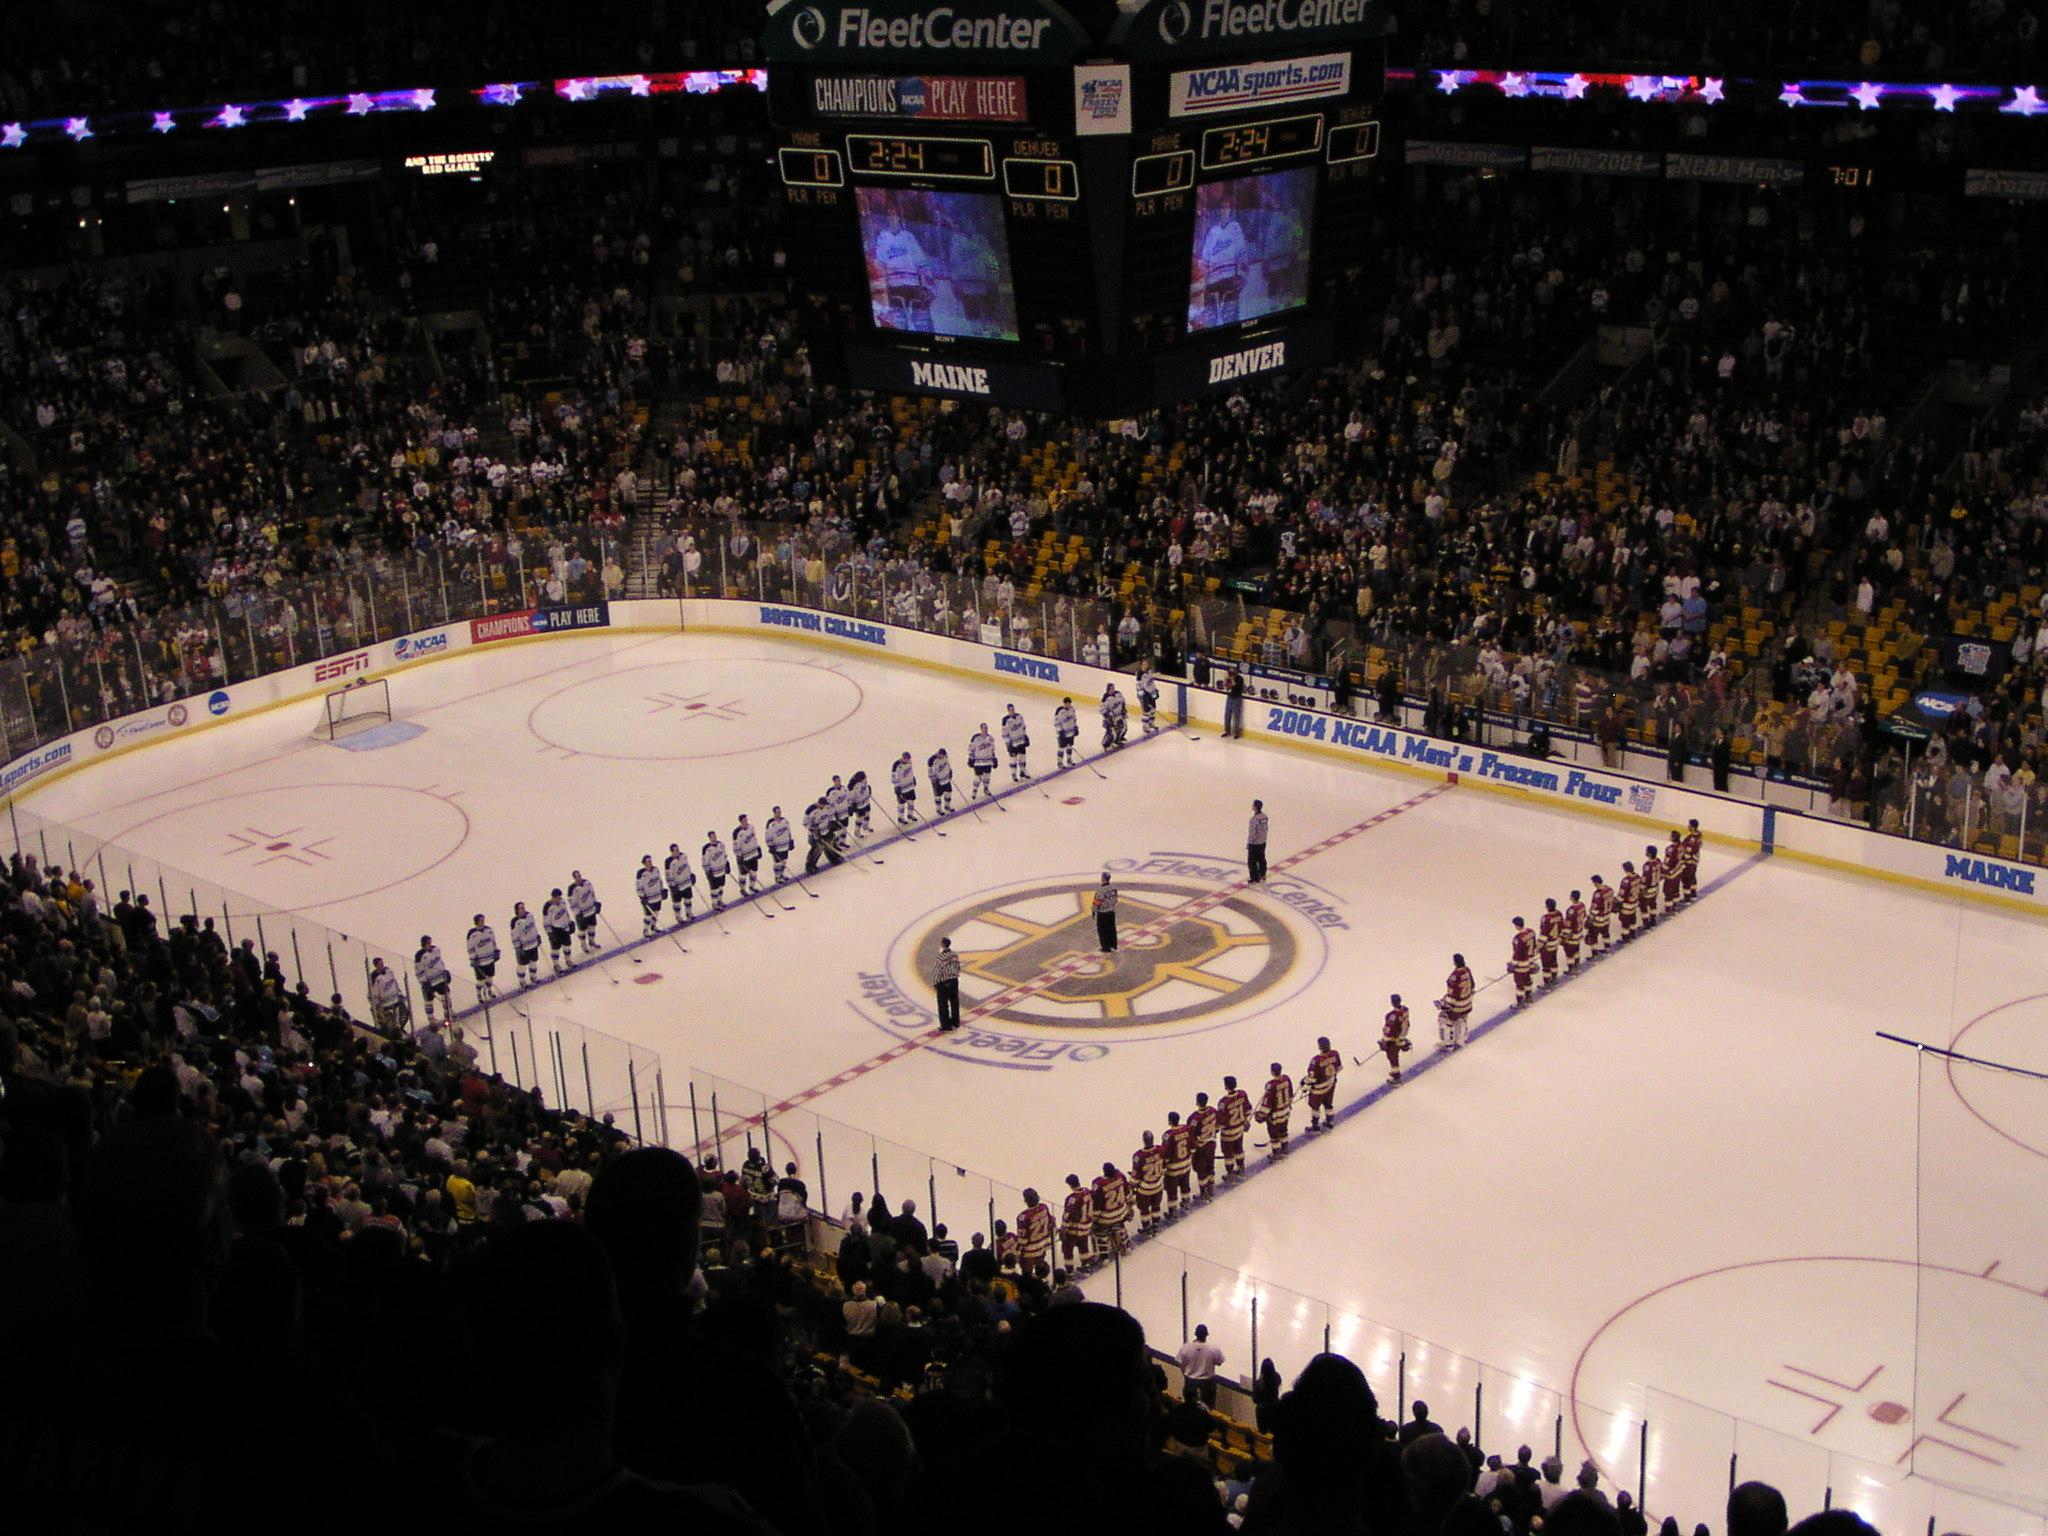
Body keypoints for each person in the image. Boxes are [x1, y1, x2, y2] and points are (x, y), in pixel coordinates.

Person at [1177, 1324, 1225, 1408]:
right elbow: (1219, 1362)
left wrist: (1186, 1374)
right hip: (1207, 1384)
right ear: (1206, 1335)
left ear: (1196, 1334)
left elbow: (1180, 1363)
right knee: (1208, 1408)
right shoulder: (1213, 1349)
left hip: (1190, 1382)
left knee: (1189, 1406)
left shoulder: (1186, 1347)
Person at [1216, 1075, 1252, 1178]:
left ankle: (1230, 1172)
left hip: (1228, 1133)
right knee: (1238, 1148)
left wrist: (1214, 1130)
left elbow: (1220, 1122)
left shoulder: (1223, 1102)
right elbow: (1248, 1110)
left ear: (1226, 1086)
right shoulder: (1242, 1094)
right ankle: (1241, 1166)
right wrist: (1245, 1121)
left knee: (1228, 1154)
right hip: (1239, 1129)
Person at [1129, 1130, 1165, 1231]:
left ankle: (1147, 1227)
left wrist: (1132, 1185)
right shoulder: (1160, 1150)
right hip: (1158, 1185)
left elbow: (1136, 1175)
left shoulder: (1139, 1156)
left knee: (1144, 1209)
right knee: (1156, 1206)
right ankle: (1156, 1223)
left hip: (1145, 1189)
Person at [413, 934, 453, 1024]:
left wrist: (445, 972)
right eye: (428, 943)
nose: (430, 944)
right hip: (429, 982)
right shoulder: (419, 956)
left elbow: (440, 962)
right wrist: (423, 982)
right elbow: (418, 971)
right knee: (428, 1001)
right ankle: (431, 1019)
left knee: (446, 995)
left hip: (440, 979)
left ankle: (448, 1014)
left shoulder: (436, 949)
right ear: (424, 944)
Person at [1303, 1036, 1341, 1129]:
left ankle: (1315, 1126)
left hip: (1318, 1090)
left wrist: (1304, 1082)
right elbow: (1339, 1068)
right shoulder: (1335, 1054)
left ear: (1320, 1047)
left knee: (1315, 1107)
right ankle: (1330, 1121)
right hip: (1330, 1085)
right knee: (1328, 1104)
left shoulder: (1316, 1060)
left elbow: (1312, 1079)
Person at [1258, 1061, 1295, 1155]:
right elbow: (1291, 1094)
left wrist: (1261, 1115)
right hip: (1285, 1112)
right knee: (1283, 1131)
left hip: (1275, 1116)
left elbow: (1267, 1103)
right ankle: (1285, 1148)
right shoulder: (1286, 1079)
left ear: (1272, 1072)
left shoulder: (1271, 1085)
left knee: (1274, 1135)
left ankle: (1276, 1153)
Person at [1438, 952, 1474, 1047]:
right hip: (1468, 1004)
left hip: (1458, 1006)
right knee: (1463, 1019)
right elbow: (1472, 986)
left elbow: (1453, 995)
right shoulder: (1467, 971)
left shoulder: (1455, 976)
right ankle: (1462, 1038)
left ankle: (1448, 1043)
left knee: (1444, 1019)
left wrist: (1443, 1003)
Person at [1016, 1188, 1054, 1276]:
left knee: (1027, 1272)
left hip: (1030, 1250)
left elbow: (1023, 1239)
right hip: (1043, 1245)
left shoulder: (1023, 1217)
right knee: (1040, 1269)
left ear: (1025, 1201)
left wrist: (1017, 1251)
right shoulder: (1044, 1207)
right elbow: (1050, 1221)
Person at [1059, 1173, 1094, 1270]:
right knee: (1083, 1246)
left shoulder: (1072, 1199)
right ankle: (1086, 1264)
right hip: (1087, 1226)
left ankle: (1069, 1271)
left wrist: (1063, 1229)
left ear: (1070, 1185)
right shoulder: (1087, 1191)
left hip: (1076, 1229)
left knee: (1067, 1249)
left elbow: (1068, 1216)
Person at [465, 913, 501, 1003]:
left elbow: (493, 941)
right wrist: (473, 959)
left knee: (490, 977)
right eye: (481, 920)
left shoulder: (488, 930)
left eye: (483, 920)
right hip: (480, 961)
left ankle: (489, 991)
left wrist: (496, 950)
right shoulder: (472, 934)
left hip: (490, 959)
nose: (483, 922)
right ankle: (479, 995)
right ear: (476, 922)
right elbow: (470, 948)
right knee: (480, 980)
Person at [368, 956, 408, 1033]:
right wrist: (376, 1005)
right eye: (380, 964)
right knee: (390, 1022)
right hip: (386, 1005)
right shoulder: (375, 979)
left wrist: (400, 993)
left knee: (402, 1016)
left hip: (395, 1000)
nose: (382, 965)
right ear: (376, 966)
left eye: (382, 963)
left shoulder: (388, 971)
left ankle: (399, 1030)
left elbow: (395, 983)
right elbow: (373, 994)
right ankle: (392, 1032)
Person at [508, 900, 542, 988]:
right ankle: (522, 981)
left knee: (533, 962)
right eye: (521, 908)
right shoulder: (515, 922)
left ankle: (533, 977)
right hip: (523, 947)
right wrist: (518, 948)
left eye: (523, 907)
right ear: (517, 910)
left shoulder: (530, 916)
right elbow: (514, 936)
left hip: (533, 944)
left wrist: (537, 936)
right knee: (522, 965)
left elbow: (534, 927)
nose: (523, 909)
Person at [566, 870, 602, 953]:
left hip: (590, 910)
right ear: (574, 878)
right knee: (582, 930)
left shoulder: (587, 883)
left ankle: (592, 941)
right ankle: (583, 945)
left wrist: (595, 903)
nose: (579, 878)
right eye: (577, 876)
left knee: (592, 927)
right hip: (581, 913)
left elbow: (592, 893)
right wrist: (577, 913)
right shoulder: (572, 889)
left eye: (579, 876)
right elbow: (571, 903)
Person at [931, 935, 962, 1032]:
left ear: (942, 945)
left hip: (943, 983)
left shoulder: (941, 957)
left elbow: (937, 971)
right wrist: (955, 975)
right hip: (954, 981)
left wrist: (935, 983)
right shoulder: (954, 955)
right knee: (954, 1002)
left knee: (943, 1005)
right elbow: (958, 967)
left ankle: (946, 1025)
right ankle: (955, 1022)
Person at [543, 888, 576, 973]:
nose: (559, 899)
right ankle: (556, 965)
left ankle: (568, 960)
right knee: (555, 949)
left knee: (567, 945)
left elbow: (566, 913)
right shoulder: (547, 907)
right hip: (555, 930)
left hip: (564, 927)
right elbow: (546, 922)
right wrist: (550, 933)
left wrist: (570, 922)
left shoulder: (562, 902)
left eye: (560, 897)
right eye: (558, 897)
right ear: (553, 897)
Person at [1381, 994, 1412, 1082]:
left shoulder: (1393, 1016)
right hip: (1401, 1037)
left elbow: (1389, 1031)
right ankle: (1395, 1074)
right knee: (1394, 1055)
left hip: (1394, 1040)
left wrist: (1384, 1040)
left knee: (1392, 1056)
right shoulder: (1404, 1011)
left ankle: (1396, 1076)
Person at [664, 843, 697, 920]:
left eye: (677, 850)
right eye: (675, 850)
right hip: (677, 885)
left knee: (688, 899)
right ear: (671, 852)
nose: (677, 852)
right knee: (677, 902)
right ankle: (678, 916)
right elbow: (668, 875)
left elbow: (687, 867)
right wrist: (672, 885)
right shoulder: (668, 861)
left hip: (686, 882)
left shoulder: (683, 856)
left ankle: (689, 913)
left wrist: (691, 875)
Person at [732, 816, 762, 897]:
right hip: (744, 857)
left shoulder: (751, 827)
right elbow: (735, 846)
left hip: (753, 854)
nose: (746, 821)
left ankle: (752, 886)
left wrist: (758, 848)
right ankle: (742, 889)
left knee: (754, 872)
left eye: (746, 820)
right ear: (741, 822)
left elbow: (754, 839)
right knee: (743, 875)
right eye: (744, 820)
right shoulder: (736, 832)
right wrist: (739, 856)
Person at [635, 855, 665, 936]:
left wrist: (662, 889)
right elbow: (638, 887)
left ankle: (653, 926)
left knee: (656, 912)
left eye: (650, 861)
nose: (650, 863)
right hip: (648, 898)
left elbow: (660, 880)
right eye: (648, 861)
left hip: (657, 896)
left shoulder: (656, 869)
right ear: (644, 863)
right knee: (648, 915)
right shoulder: (641, 874)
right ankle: (645, 930)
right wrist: (642, 897)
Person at [968, 723, 998, 800]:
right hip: (978, 762)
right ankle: (974, 791)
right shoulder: (976, 738)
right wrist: (970, 758)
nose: (985, 729)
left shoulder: (990, 738)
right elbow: (971, 749)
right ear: (981, 729)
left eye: (986, 728)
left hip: (988, 761)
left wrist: (994, 758)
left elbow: (992, 749)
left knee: (987, 776)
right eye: (984, 728)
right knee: (978, 778)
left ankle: (986, 789)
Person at [764, 808, 794, 884]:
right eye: (777, 812)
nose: (779, 813)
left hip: (785, 845)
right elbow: (768, 836)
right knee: (777, 863)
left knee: (784, 861)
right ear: (774, 813)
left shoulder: (784, 820)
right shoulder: (771, 824)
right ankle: (777, 877)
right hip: (777, 847)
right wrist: (770, 846)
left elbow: (788, 831)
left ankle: (781, 874)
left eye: (780, 812)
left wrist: (790, 840)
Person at [1001, 704, 1031, 781]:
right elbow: (1004, 733)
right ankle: (1013, 774)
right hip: (1013, 742)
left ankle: (1022, 772)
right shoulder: (1006, 720)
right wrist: (1007, 744)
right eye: (1011, 710)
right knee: (1013, 758)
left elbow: (1023, 727)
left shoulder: (1019, 716)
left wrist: (1025, 736)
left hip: (1021, 740)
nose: (1013, 711)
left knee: (1022, 757)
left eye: (1013, 710)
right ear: (1008, 710)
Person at [1092, 871, 1119, 951]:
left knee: (1102, 930)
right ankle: (1114, 945)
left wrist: (1094, 910)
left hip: (1102, 913)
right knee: (1112, 929)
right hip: (1111, 912)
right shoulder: (1113, 888)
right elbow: (1116, 899)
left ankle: (1105, 947)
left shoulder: (1100, 890)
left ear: (1103, 878)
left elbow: (1097, 902)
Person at [1587, 873, 1614, 951]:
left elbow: (1594, 908)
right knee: (1605, 932)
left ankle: (1595, 952)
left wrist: (1590, 916)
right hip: (1607, 916)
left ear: (1596, 883)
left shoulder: (1597, 894)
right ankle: (1607, 946)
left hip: (1599, 918)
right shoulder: (1609, 889)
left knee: (1593, 935)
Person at [1562, 890, 1587, 971]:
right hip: (1579, 931)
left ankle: (1571, 968)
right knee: (1576, 948)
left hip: (1573, 934)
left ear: (1572, 898)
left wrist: (1564, 936)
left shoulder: (1571, 910)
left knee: (1569, 952)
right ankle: (1577, 963)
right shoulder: (1582, 905)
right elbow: (1584, 916)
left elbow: (1568, 924)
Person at [1246, 798, 1269, 883]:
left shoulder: (1254, 819)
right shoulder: (1264, 817)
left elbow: (1253, 833)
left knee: (1252, 861)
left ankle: (1254, 878)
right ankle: (1262, 874)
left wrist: (1250, 843)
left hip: (1255, 844)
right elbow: (1266, 829)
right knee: (1261, 859)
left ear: (1255, 807)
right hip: (1262, 842)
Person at [927, 746, 955, 814]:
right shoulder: (932, 760)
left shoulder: (945, 757)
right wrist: (933, 780)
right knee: (938, 795)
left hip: (946, 779)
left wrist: (950, 772)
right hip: (938, 781)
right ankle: (938, 809)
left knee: (948, 792)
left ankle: (947, 806)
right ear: (939, 754)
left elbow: (948, 765)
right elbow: (930, 771)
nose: (944, 757)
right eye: (942, 755)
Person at [1053, 696, 1080, 767]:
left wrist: (1075, 727)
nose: (1068, 705)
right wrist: (1060, 731)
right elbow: (1056, 722)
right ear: (1064, 703)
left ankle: (1069, 760)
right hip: (1062, 733)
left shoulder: (1072, 709)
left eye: (1069, 703)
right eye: (1067, 703)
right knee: (1061, 748)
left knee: (1070, 747)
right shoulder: (1059, 711)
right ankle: (1060, 763)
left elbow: (1074, 719)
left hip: (1070, 732)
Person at [1136, 667, 1161, 734]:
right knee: (1146, 711)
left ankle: (1151, 723)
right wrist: (1142, 696)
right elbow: (1139, 687)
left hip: (1151, 694)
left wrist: (1155, 692)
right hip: (1145, 695)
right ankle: (1145, 726)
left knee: (1153, 709)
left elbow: (1152, 684)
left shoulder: (1149, 674)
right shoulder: (1140, 675)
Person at [1225, 667, 1246, 739]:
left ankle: (1236, 733)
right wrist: (1226, 680)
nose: (1231, 673)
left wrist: (1232, 679)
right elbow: (1227, 687)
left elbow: (1236, 686)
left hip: (1237, 698)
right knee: (1227, 715)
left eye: (1232, 672)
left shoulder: (1240, 679)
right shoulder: (1229, 678)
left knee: (1236, 717)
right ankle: (1227, 731)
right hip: (1230, 697)